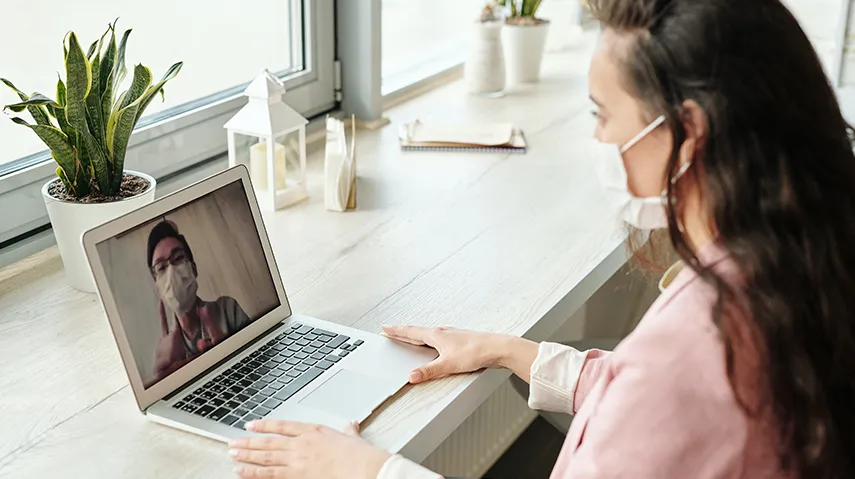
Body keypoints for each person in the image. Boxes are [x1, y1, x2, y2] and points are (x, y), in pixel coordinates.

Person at [225, 0, 855, 477]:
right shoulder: (790, 258)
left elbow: (664, 388)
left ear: (688, 135)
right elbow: (657, 402)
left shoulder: (699, 340)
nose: (600, 143)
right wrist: (508, 350)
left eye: (603, 117)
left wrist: (367, 469)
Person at [147, 220, 251, 382]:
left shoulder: (228, 309)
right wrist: (163, 380)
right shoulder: (165, 353)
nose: (171, 271)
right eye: (161, 267)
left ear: (193, 269)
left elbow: (261, 360)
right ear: (158, 287)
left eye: (178, 258)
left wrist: (228, 353)